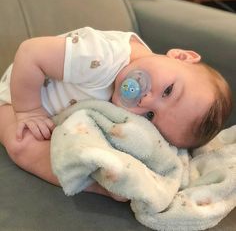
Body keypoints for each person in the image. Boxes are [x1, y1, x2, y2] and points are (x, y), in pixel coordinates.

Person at [0, 27, 232, 201]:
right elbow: (30, 52)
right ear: (181, 56)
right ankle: (92, 183)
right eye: (168, 91)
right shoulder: (102, 57)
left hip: (65, 117)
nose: (145, 100)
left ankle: (110, 175)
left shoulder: (146, 73)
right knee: (22, 144)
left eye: (150, 116)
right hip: (18, 93)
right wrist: (28, 110)